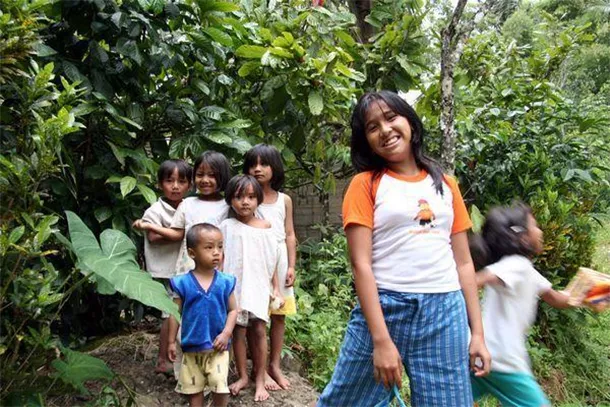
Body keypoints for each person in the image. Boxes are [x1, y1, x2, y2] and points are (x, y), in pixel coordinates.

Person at [317, 90, 491, 406]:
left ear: (409, 120)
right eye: (372, 127)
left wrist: (476, 332)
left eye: (391, 117)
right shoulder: (364, 184)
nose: (385, 130)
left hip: (444, 313)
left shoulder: (446, 184)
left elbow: (464, 263)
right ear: (366, 140)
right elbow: (361, 265)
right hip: (385, 309)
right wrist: (381, 340)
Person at [469, 202, 572, 407]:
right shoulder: (516, 265)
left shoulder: (526, 271)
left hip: (482, 358)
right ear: (522, 236)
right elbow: (476, 280)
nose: (540, 231)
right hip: (505, 363)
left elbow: (559, 299)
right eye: (534, 226)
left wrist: (589, 292)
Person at [220, 175, 282, 402]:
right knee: (237, 330)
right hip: (234, 285)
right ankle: (243, 376)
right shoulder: (226, 226)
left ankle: (260, 378)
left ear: (258, 200)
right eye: (238, 197)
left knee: (258, 330)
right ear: (230, 200)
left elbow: (273, 260)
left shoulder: (266, 227)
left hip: (258, 285)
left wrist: (275, 287)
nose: (245, 202)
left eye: (250, 197)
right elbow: (221, 257)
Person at [244, 144, 297, 391]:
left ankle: (275, 365)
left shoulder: (284, 200)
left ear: (274, 167)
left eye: (263, 164)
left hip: (281, 260)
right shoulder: (246, 198)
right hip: (256, 262)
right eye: (252, 164)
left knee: (279, 315)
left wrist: (292, 266)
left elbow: (289, 234)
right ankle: (259, 370)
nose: (257, 169)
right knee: (256, 318)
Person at [167, 223, 237, 407]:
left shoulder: (225, 282)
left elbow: (233, 310)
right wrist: (170, 341)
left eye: (220, 247)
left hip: (218, 349)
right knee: (193, 390)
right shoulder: (182, 283)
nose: (216, 252)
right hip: (191, 349)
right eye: (209, 247)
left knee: (220, 388)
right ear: (192, 253)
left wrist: (226, 333)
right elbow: (174, 314)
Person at [135, 159, 191, 374]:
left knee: (175, 312)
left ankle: (170, 356)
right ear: (160, 184)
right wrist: (184, 235)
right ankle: (163, 360)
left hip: (181, 268)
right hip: (165, 269)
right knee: (170, 312)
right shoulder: (155, 210)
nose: (175, 186)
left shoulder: (187, 206)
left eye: (181, 181)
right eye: (170, 181)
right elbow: (153, 236)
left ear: (189, 185)